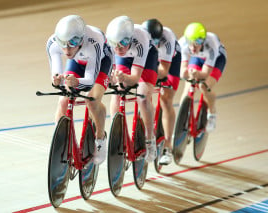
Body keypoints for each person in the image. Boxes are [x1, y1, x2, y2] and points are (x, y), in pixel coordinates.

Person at [46, 15, 113, 165]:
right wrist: (57, 79)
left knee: (93, 100)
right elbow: (56, 74)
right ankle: (61, 140)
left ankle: (100, 138)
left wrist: (76, 82)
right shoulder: (53, 43)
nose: (67, 49)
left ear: (81, 39)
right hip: (77, 61)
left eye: (73, 43)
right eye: (63, 44)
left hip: (101, 62)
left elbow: (89, 81)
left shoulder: (94, 41)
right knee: (64, 100)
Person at [106, 16, 159, 162]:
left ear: (130, 38)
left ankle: (150, 139)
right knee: (118, 90)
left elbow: (135, 78)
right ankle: (116, 134)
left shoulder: (140, 38)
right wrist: (115, 77)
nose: (119, 47)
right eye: (115, 44)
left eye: (123, 42)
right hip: (125, 59)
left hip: (147, 58)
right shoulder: (113, 45)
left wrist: (124, 77)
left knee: (142, 95)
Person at [142, 19, 181, 165]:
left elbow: (164, 72)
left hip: (171, 62)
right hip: (152, 59)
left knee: (166, 99)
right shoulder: (141, 36)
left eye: (156, 42)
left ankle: (168, 146)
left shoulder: (167, 38)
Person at [178, 22, 227, 132]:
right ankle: (183, 118)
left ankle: (212, 113)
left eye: (196, 44)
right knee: (188, 85)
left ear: (203, 41)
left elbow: (204, 74)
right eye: (190, 43)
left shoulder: (211, 46)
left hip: (217, 60)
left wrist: (196, 74)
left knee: (204, 86)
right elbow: (183, 71)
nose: (192, 47)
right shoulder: (183, 45)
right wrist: (188, 73)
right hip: (198, 58)